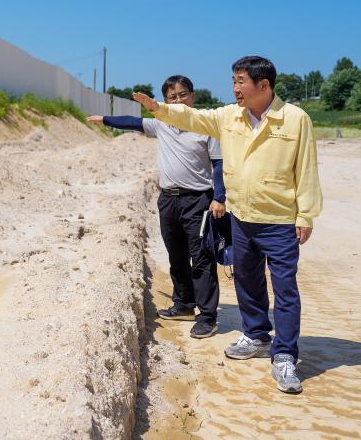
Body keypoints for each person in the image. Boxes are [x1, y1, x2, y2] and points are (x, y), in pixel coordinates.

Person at [131, 56, 323, 394]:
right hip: (241, 217)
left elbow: (306, 169)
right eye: (233, 81)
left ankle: (285, 356)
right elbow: (192, 116)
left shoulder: (295, 120)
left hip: (279, 220)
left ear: (263, 86)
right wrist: (158, 108)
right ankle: (257, 335)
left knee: (285, 290)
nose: (235, 88)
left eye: (240, 81)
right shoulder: (227, 117)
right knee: (247, 281)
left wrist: (305, 215)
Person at [88, 75, 226, 339]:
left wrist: (219, 197)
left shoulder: (206, 126)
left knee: (202, 258)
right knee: (176, 254)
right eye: (172, 97)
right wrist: (104, 119)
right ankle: (184, 304)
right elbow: (133, 123)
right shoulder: (162, 124)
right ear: (165, 101)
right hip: (168, 199)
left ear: (192, 96)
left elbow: (219, 165)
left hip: (198, 200)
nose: (178, 100)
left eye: (183, 94)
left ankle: (208, 316)